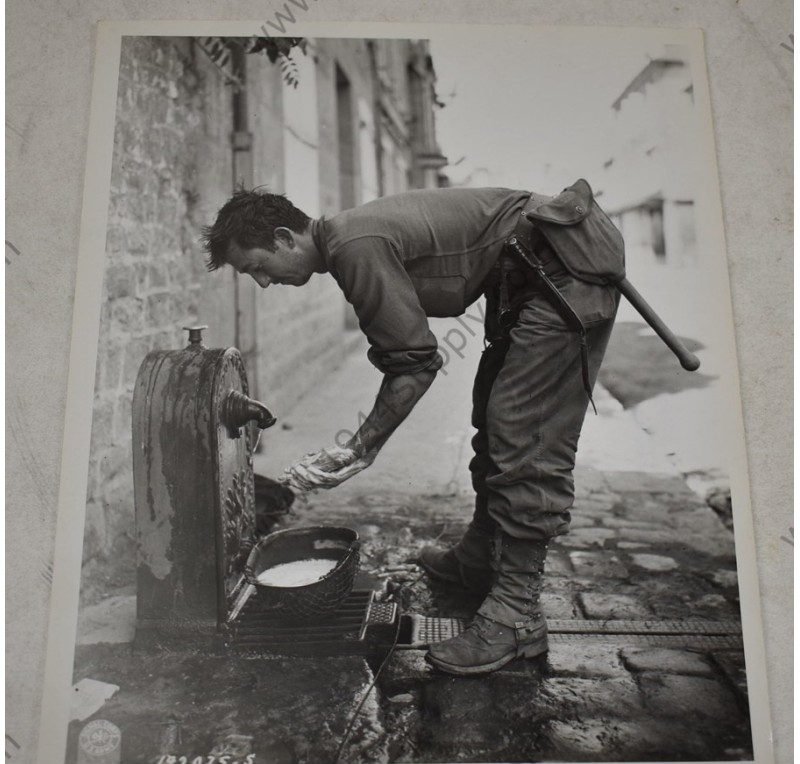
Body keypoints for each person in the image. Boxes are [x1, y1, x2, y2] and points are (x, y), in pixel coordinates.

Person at [202, 184, 620, 675]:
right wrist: (363, 448)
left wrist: (360, 449)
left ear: (282, 238)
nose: (262, 283)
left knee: (525, 433)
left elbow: (414, 366)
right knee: (492, 413)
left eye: (255, 267)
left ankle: (516, 615)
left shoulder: (353, 247)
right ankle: (482, 556)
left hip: (565, 273)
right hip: (529, 276)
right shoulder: (347, 241)